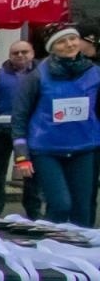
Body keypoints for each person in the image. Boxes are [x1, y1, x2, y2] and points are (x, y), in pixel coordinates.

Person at [11, 24, 99, 226]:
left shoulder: (95, 73)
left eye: (72, 39)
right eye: (61, 41)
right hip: (46, 150)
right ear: (51, 47)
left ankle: (78, 254)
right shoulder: (37, 76)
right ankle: (47, 248)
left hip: (84, 148)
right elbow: (19, 117)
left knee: (82, 211)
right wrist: (22, 155)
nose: (69, 44)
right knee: (60, 206)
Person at [0, 38, 41, 218]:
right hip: (2, 130)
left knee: (31, 173)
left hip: (30, 132)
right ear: (9, 56)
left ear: (32, 54)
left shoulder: (42, 75)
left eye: (25, 52)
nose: (20, 55)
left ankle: (33, 211)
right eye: (16, 53)